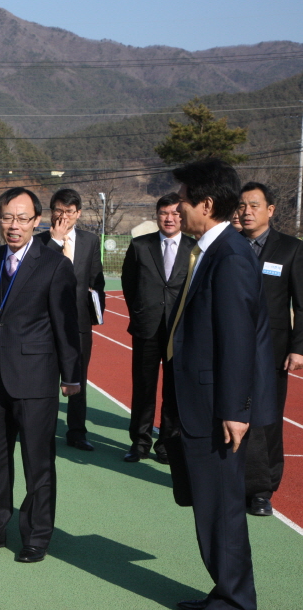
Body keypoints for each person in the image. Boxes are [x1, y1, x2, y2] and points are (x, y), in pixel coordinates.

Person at [170, 159, 278, 610]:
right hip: (203, 402)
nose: (178, 207)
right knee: (211, 507)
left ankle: (235, 601)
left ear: (206, 204)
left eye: (184, 199)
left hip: (216, 408)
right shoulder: (214, 250)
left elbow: (238, 340)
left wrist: (236, 409)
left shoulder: (230, 256)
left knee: (223, 509)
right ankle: (226, 592)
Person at [0, 187, 80, 563]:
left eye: (23, 218)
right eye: (7, 217)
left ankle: (36, 536)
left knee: (37, 462)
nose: (14, 225)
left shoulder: (55, 264)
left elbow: (66, 325)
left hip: (35, 378)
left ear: (37, 221)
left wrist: (71, 375)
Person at [238, 182, 303, 517]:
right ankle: (232, 482)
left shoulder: (290, 249)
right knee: (230, 413)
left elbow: (301, 304)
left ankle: (262, 490)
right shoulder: (228, 246)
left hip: (273, 351)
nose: (246, 212)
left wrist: (298, 347)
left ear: (270, 210)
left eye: (253, 205)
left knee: (267, 420)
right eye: (242, 206)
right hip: (232, 348)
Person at [121, 193, 195, 464]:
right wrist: (140, 311)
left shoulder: (193, 248)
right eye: (164, 213)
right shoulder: (141, 246)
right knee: (143, 387)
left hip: (179, 330)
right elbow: (129, 284)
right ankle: (139, 442)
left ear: (182, 216)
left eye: (175, 213)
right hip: (147, 327)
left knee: (174, 389)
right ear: (157, 215)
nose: (170, 218)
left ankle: (166, 444)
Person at [35, 188, 104, 451]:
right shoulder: (40, 241)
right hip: (45, 323)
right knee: (45, 378)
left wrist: (97, 312)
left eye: (70, 211)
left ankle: (76, 431)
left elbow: (96, 280)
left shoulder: (89, 240)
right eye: (59, 211)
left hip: (79, 323)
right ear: (51, 212)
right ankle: (43, 429)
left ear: (79, 214)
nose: (64, 216)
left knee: (78, 378)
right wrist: (55, 239)